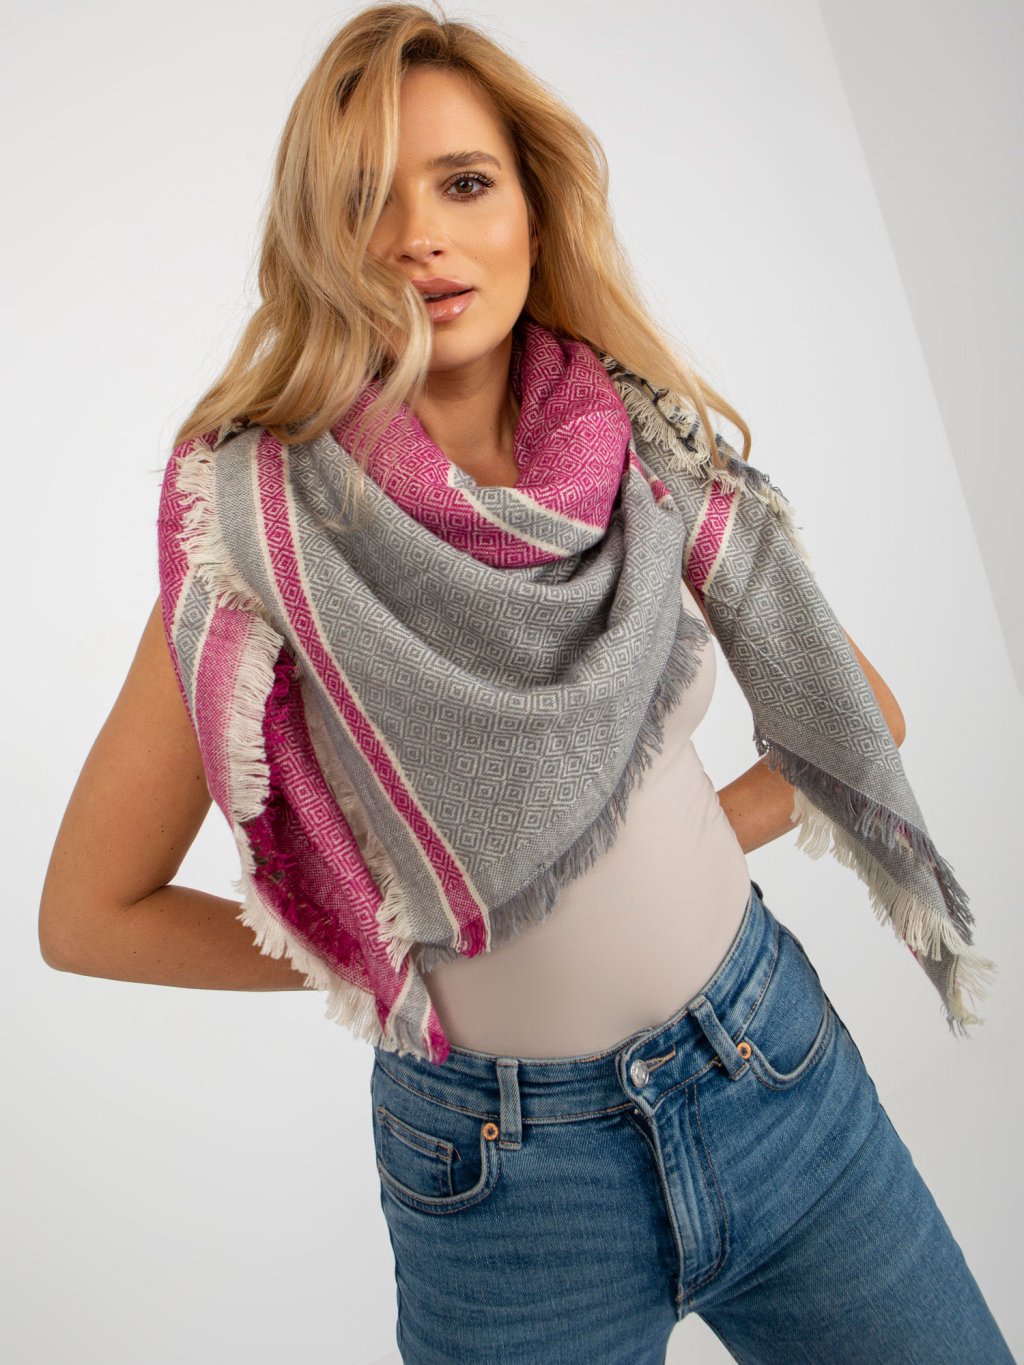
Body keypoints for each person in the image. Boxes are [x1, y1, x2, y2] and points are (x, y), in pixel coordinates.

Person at [38, 4, 1012, 1361]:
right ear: (320, 249)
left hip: (774, 1071)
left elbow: (859, 715)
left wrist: (662, 844)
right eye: (366, 202)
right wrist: (373, 944)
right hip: (504, 1187)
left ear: (533, 216)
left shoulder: (642, 450)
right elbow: (88, 914)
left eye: (464, 183)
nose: (419, 237)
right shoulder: (265, 539)